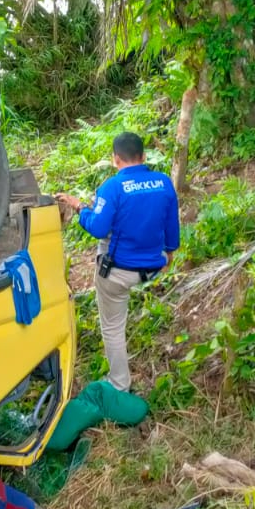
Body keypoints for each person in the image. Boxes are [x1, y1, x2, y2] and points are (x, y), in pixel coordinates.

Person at [55, 132, 179, 393]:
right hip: (152, 267)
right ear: (144, 156)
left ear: (115, 159)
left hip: (118, 273)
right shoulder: (164, 182)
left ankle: (119, 383)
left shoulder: (112, 187)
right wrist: (169, 254)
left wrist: (80, 208)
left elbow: (99, 228)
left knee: (112, 328)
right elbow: (171, 226)